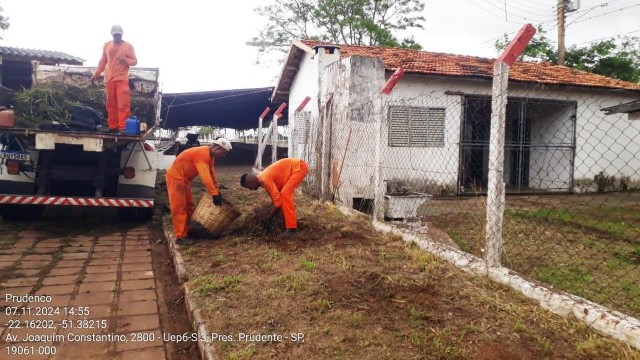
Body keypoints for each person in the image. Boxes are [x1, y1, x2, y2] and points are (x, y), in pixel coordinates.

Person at [166, 138, 232, 246]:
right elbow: (205, 176)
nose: (223, 155)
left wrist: (217, 191)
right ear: (218, 148)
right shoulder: (202, 153)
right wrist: (213, 194)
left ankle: (189, 230)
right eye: (223, 152)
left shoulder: (211, 156)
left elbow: (211, 174)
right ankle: (180, 236)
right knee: (179, 208)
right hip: (175, 178)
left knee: (189, 206)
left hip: (185, 180)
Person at [240, 158, 309, 237]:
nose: (250, 189)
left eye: (249, 187)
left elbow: (278, 202)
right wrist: (274, 210)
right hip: (294, 168)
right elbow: (275, 198)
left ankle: (292, 229)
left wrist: (269, 216)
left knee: (285, 194)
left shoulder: (265, 179)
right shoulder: (261, 179)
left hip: (299, 167)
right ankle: (287, 223)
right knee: (281, 195)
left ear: (250, 182)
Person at [91, 25, 137, 133]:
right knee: (110, 104)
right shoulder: (107, 45)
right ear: (112, 34)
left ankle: (123, 127)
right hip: (109, 79)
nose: (117, 37)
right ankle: (113, 126)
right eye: (115, 35)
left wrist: (126, 60)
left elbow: (134, 61)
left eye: (119, 35)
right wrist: (96, 73)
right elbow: (103, 61)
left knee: (123, 104)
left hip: (122, 79)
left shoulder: (128, 46)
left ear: (122, 34)